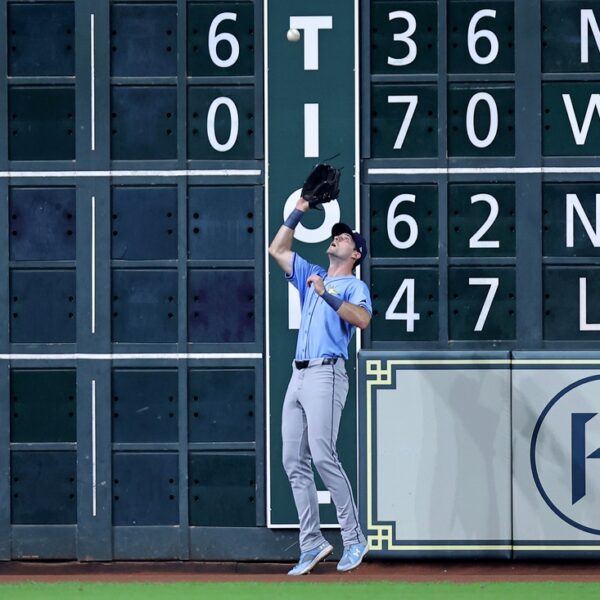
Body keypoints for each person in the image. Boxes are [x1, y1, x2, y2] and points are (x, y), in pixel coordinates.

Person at [268, 195, 372, 575]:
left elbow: (361, 320)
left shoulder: (351, 286)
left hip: (327, 372)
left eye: (344, 238)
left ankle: (354, 536)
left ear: (356, 254)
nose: (337, 239)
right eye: (336, 236)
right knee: (293, 460)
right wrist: (301, 207)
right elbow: (276, 248)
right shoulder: (312, 272)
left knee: (323, 455)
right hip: (298, 375)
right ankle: (312, 542)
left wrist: (326, 294)